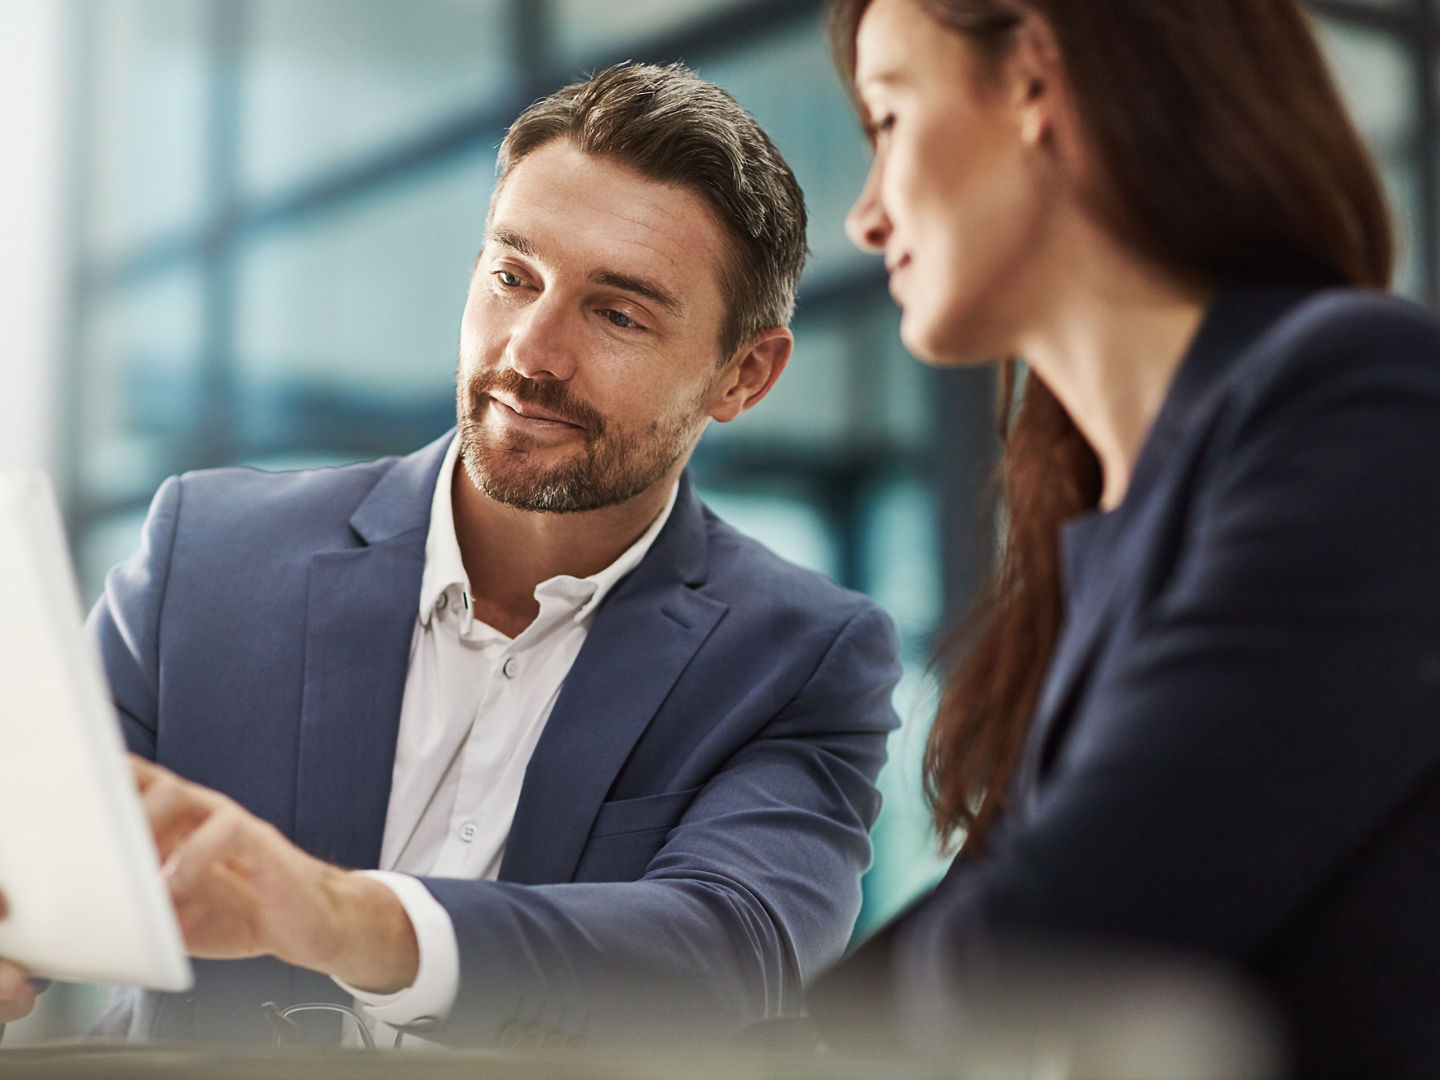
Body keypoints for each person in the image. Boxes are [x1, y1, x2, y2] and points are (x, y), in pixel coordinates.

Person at [0, 62, 901, 1048]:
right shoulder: (207, 557)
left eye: (617, 313)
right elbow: (39, 857)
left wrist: (346, 918)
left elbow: (730, 948)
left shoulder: (800, 657)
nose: (531, 352)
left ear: (745, 374)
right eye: (513, 276)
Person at [808, 0, 1440, 1076]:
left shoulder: (1363, 400)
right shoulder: (1104, 539)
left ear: (1035, 81)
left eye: (888, 119)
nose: (866, 216)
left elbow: (1060, 930)